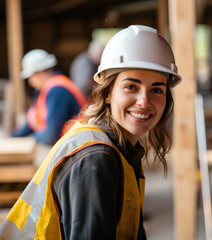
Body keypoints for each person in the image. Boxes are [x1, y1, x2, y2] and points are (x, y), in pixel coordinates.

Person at [0, 25, 182, 239]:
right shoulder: (96, 158)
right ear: (107, 94)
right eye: (131, 87)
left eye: (156, 90)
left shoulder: (125, 149)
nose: (144, 101)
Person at [11, 49, 87, 145]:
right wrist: (12, 137)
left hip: (76, 146)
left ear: (41, 73)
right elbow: (31, 124)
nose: (30, 82)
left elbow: (51, 136)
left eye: (31, 77)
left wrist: (32, 139)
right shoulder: (47, 90)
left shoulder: (57, 91)